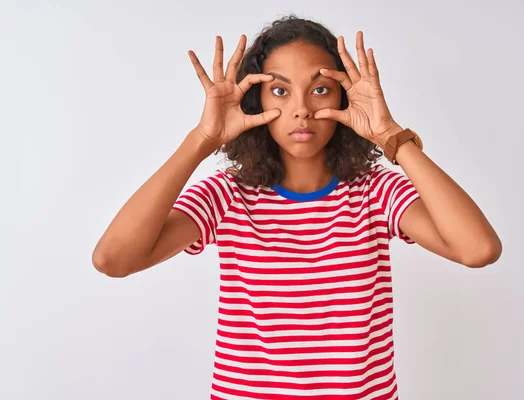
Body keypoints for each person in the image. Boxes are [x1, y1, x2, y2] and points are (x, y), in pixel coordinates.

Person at [92, 15, 502, 400]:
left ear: (344, 97)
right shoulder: (229, 195)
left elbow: (477, 249)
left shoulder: (374, 191)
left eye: (320, 88)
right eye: (281, 90)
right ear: (256, 100)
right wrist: (202, 139)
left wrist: (391, 136)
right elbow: (114, 259)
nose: (302, 108)